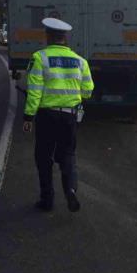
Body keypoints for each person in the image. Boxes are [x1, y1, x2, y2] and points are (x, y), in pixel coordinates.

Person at [22, 17, 94, 212]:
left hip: (47, 116)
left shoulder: (40, 58)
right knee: (68, 155)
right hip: (70, 116)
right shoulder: (80, 61)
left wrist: (28, 117)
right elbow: (88, 90)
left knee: (43, 157)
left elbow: (35, 90)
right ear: (65, 37)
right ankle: (70, 190)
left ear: (48, 36)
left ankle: (47, 199)